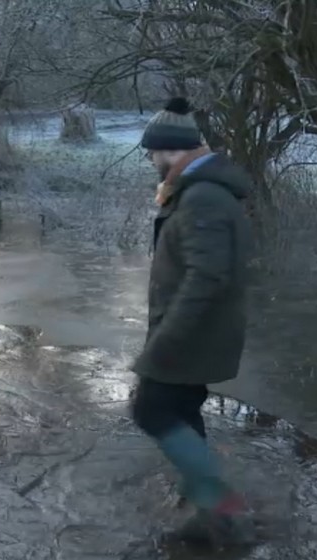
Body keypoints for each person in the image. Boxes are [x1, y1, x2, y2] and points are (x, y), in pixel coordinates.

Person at [130, 97, 256, 550]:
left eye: (152, 152)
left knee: (150, 409)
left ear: (170, 150)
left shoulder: (202, 197)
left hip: (192, 335)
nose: (150, 160)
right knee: (180, 412)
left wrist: (165, 341)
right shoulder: (194, 190)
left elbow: (207, 276)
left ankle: (220, 505)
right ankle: (209, 515)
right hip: (196, 331)